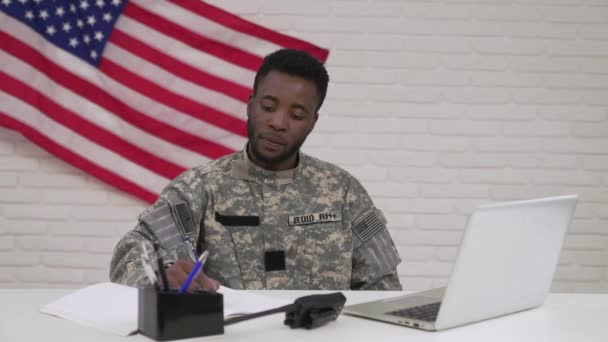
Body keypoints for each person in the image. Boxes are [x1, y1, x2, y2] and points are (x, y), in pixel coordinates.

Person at [110, 49, 402, 291]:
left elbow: (383, 286)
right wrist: (160, 276)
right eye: (268, 106)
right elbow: (134, 249)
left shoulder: (344, 191)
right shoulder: (201, 186)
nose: (278, 122)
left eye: (296, 114)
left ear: (313, 121)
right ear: (250, 106)